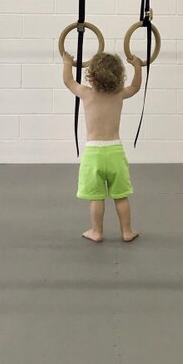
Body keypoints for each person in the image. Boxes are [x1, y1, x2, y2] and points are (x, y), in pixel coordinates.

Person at [63, 50, 143, 243]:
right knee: (121, 197)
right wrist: (137, 67)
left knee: (96, 197)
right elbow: (135, 86)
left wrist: (67, 62)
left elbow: (68, 81)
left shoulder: (86, 93)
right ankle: (127, 231)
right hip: (115, 152)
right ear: (119, 75)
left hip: (94, 154)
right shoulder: (119, 95)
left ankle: (96, 231)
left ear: (91, 75)